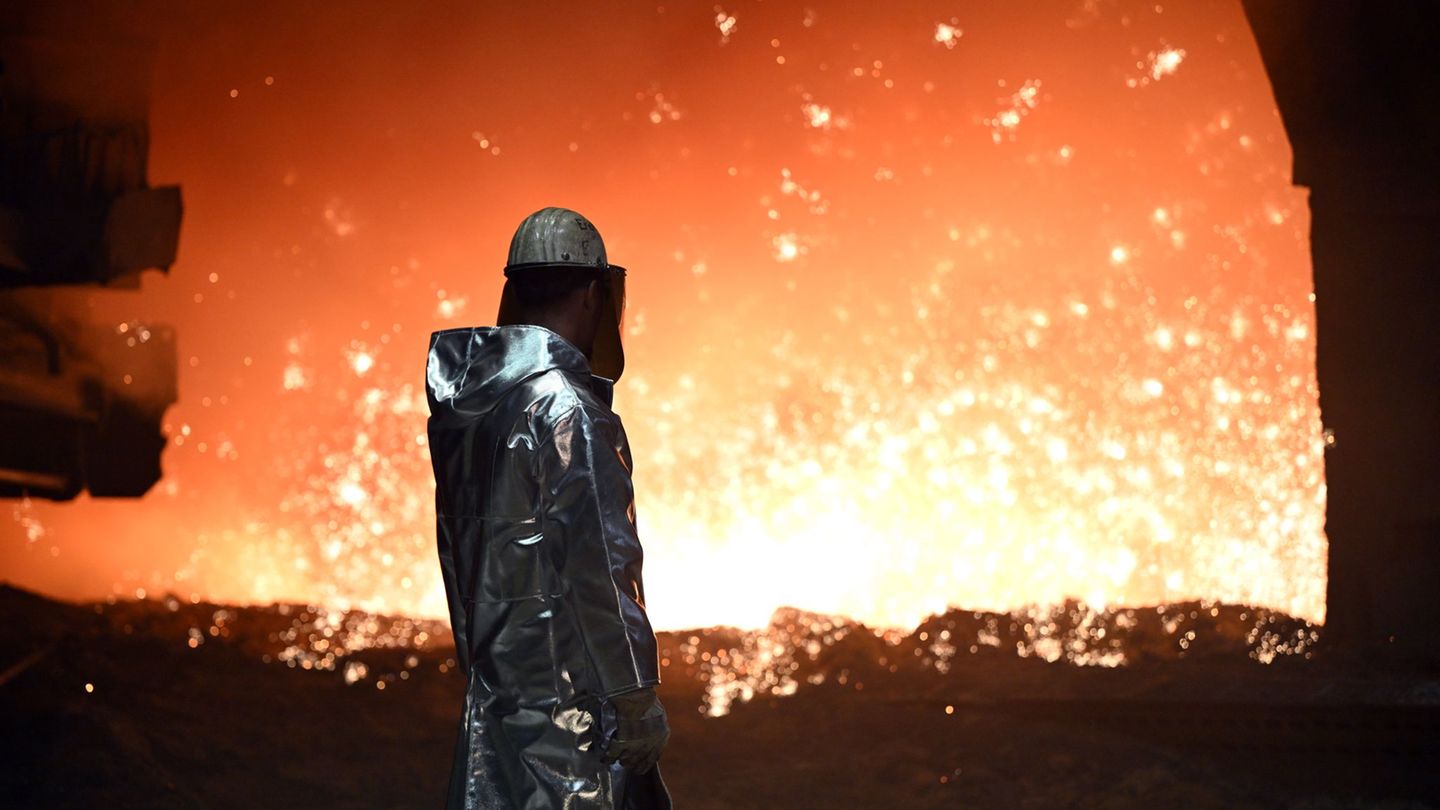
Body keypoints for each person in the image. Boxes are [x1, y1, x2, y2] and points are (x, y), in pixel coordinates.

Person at [425, 207, 672, 809]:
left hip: (498, 700)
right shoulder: (568, 413)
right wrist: (634, 695)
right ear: (594, 293)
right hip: (576, 718)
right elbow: (599, 567)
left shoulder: (474, 412)